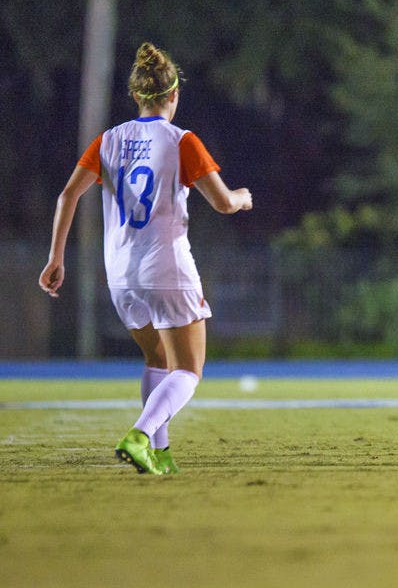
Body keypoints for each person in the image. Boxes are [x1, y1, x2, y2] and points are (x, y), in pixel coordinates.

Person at [39, 42, 253, 475]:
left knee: (157, 361)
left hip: (120, 275)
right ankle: (139, 436)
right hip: (167, 269)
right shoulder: (182, 141)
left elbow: (68, 195)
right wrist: (244, 199)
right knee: (189, 370)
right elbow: (224, 203)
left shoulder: (108, 141)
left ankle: (163, 455)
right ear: (173, 95)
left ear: (137, 96)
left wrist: (55, 257)